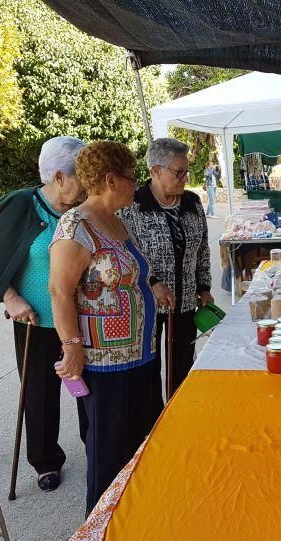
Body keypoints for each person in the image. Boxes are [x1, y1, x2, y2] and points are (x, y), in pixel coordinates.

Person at [0, 136, 88, 492]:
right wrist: (11, 297)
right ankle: (46, 461)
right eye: (81, 174)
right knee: (39, 394)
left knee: (89, 390)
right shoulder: (23, 204)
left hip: (83, 321)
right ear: (60, 176)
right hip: (36, 322)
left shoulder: (84, 210)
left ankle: (96, 446)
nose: (88, 183)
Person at [49, 140, 162, 514]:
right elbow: (60, 291)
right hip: (105, 363)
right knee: (109, 453)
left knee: (141, 445)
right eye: (133, 178)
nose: (137, 185)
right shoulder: (75, 225)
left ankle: (136, 519)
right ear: (112, 180)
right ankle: (98, 536)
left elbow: (130, 276)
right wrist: (72, 346)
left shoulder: (117, 221)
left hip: (139, 355)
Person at [119, 137, 212, 399]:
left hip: (184, 304)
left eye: (186, 172)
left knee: (182, 366)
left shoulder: (192, 203)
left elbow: (202, 249)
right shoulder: (132, 205)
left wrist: (204, 287)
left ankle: (180, 414)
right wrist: (152, 281)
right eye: (177, 172)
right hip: (146, 303)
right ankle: (152, 425)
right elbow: (126, 253)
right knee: (148, 370)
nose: (184, 178)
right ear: (155, 171)